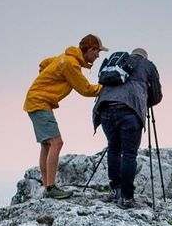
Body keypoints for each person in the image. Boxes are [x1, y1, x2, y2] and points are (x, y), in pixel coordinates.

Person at [23, 34, 106, 199]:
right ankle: (51, 188)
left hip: (36, 100)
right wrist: (107, 88)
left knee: (47, 145)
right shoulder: (71, 63)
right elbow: (85, 89)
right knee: (56, 142)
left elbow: (43, 63)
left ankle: (48, 187)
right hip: (40, 102)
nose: (98, 56)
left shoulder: (65, 57)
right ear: (90, 49)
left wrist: (47, 80)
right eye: (97, 52)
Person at [92, 48, 162, 208]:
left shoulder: (117, 63)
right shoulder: (148, 65)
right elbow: (157, 96)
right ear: (145, 57)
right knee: (129, 153)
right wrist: (144, 100)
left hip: (105, 109)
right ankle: (126, 197)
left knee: (113, 148)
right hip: (130, 111)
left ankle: (115, 189)